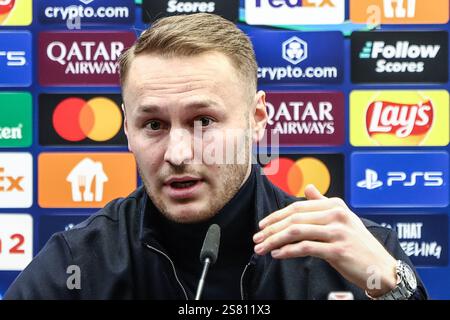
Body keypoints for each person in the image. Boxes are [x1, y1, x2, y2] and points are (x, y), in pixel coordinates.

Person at [5, 13, 427, 300]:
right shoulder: (78, 261)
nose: (177, 153)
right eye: (153, 125)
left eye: (204, 121)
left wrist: (393, 287)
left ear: (257, 119)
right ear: (127, 130)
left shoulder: (353, 254)